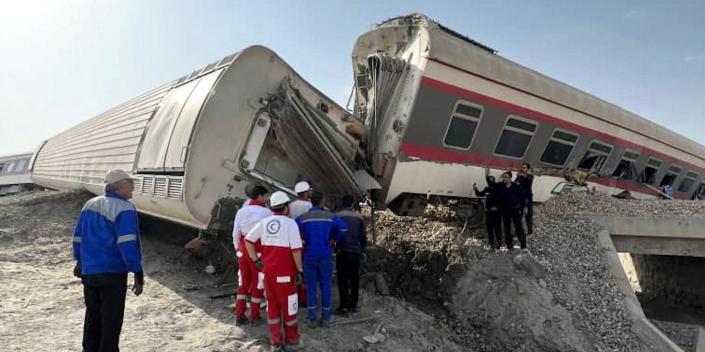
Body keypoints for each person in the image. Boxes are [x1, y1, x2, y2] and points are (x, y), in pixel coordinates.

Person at [72, 169, 144, 352]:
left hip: (89, 273)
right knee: (111, 323)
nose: (133, 187)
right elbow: (127, 243)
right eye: (130, 183)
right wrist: (137, 271)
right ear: (120, 186)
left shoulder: (89, 204)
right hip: (112, 273)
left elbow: (77, 238)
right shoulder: (124, 208)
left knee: (92, 319)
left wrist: (80, 261)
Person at [245, 191, 304, 352]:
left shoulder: (264, 223)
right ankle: (292, 340)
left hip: (268, 275)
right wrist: (300, 270)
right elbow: (296, 250)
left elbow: (248, 240)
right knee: (290, 309)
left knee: (272, 308)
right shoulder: (290, 224)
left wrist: (256, 260)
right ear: (285, 207)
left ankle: (275, 342)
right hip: (286, 276)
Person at [296, 191, 348, 328]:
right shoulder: (330, 216)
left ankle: (311, 318)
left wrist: (303, 242)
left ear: (310, 200)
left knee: (311, 287)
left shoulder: (302, 218)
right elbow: (343, 228)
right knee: (326, 285)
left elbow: (294, 231)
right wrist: (334, 240)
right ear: (322, 202)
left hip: (309, 256)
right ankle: (326, 317)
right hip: (325, 255)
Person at [232, 185, 273, 325]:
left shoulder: (242, 211)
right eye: (266, 196)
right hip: (259, 252)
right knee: (258, 284)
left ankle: (239, 314)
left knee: (243, 283)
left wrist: (238, 250)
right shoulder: (267, 213)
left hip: (243, 251)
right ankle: (254, 316)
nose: (267, 199)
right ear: (260, 196)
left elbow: (235, 234)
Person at [335, 195, 367, 315]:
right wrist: (363, 249)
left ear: (342, 203)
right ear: (353, 204)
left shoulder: (337, 216)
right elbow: (363, 236)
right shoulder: (359, 217)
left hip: (342, 251)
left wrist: (336, 247)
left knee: (342, 279)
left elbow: (334, 233)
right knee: (354, 279)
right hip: (355, 252)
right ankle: (353, 305)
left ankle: (343, 306)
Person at [473, 168, 502, 250]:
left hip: (497, 212)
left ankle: (499, 244)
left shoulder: (498, 189)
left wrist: (497, 208)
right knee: (490, 229)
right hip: (489, 212)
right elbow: (479, 194)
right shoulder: (487, 189)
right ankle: (491, 244)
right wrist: (475, 188)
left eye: (491, 180)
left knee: (497, 229)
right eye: (489, 180)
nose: (489, 181)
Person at [499, 171, 527, 249]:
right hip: (506, 210)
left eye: (506, 177)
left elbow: (522, 197)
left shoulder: (516, 186)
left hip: (516, 210)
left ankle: (523, 245)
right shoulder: (501, 186)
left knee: (518, 227)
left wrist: (524, 207)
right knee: (507, 228)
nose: (504, 178)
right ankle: (509, 245)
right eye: (503, 177)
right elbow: (492, 186)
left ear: (510, 178)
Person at [516, 163, 534, 235]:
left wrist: (522, 174)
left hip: (527, 198)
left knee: (528, 215)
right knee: (518, 216)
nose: (523, 169)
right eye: (522, 167)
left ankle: (530, 231)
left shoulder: (530, 176)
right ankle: (518, 231)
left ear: (527, 169)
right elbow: (516, 183)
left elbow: (529, 178)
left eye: (524, 168)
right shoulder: (519, 177)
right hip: (520, 198)